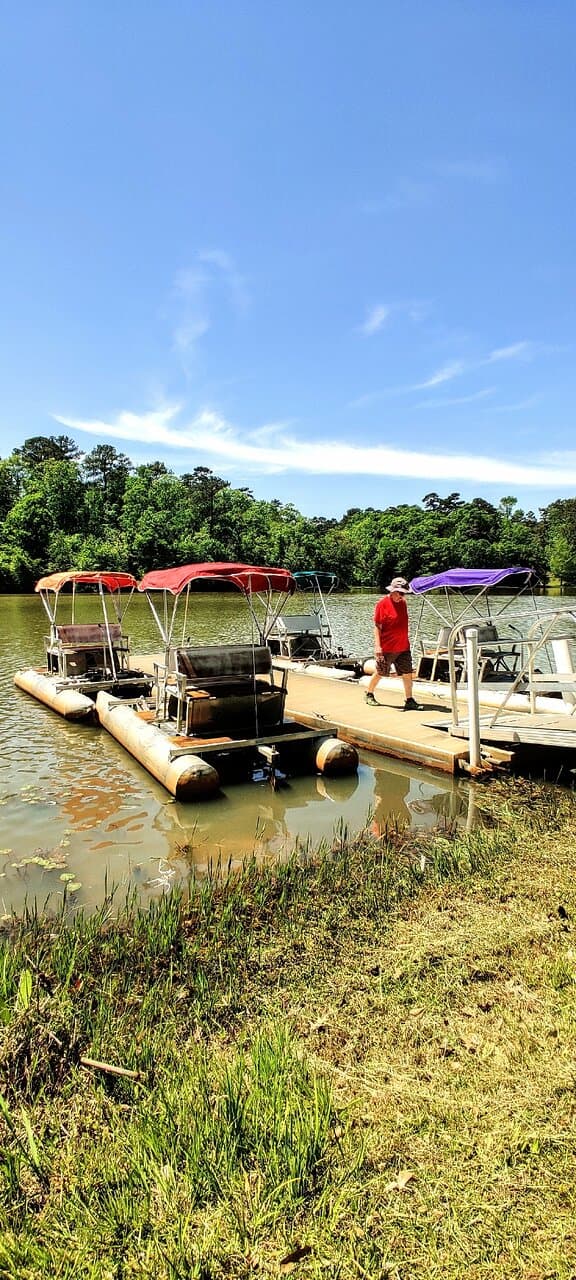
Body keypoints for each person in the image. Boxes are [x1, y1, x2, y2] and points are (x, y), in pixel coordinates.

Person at [365, 576, 422, 711]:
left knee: (407, 673)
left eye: (404, 593)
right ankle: (369, 693)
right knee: (381, 672)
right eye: (400, 593)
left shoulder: (403, 603)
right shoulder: (382, 604)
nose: (402, 596)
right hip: (387, 647)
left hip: (403, 646)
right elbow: (377, 626)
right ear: (392, 591)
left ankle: (409, 699)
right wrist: (377, 646)